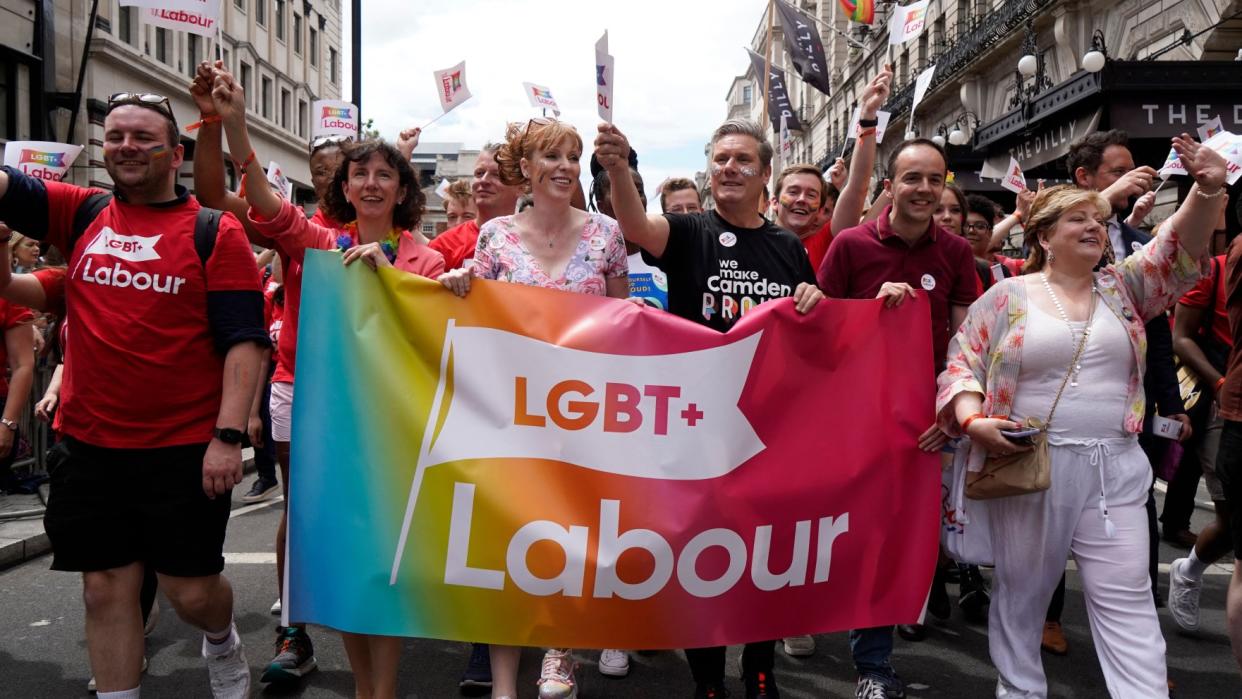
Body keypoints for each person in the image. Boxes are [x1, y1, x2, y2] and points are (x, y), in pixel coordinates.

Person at [0, 90, 268, 699]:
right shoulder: (82, 212)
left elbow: (245, 342)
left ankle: (222, 638)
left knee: (192, 592)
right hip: (90, 448)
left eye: (144, 137)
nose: (127, 146)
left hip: (183, 451)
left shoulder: (213, 231)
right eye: (116, 135)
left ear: (175, 154)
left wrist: (228, 438)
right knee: (103, 587)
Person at [937, 135, 1227, 699]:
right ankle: (1019, 689)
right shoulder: (1007, 296)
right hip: (1030, 467)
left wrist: (1208, 187)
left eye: (1098, 219)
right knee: (1023, 596)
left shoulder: (1123, 289)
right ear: (1044, 236)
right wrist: (974, 423)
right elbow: (960, 367)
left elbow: (1175, 249)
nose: (1094, 227)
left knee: (1128, 598)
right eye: (1078, 219)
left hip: (1115, 471)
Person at [210, 66, 444, 699]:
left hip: (392, 432)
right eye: (359, 173)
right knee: (341, 568)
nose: (370, 183)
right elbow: (263, 204)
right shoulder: (319, 243)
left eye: (384, 174)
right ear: (345, 186)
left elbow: (435, 328)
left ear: (401, 190)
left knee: (380, 571)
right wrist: (234, 124)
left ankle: (384, 692)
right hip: (325, 427)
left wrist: (394, 271)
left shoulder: (427, 257)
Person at [596, 116, 824, 699]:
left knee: (765, 556)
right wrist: (620, 168)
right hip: (699, 423)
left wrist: (813, 296)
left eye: (743, 159)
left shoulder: (789, 248)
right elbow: (633, 224)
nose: (730, 167)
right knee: (705, 559)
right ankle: (707, 681)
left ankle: (760, 668)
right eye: (720, 158)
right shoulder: (689, 231)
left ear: (765, 173)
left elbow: (812, 328)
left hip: (770, 425)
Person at [440, 117, 629, 699]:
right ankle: (503, 683)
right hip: (513, 415)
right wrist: (453, 285)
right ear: (524, 169)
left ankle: (558, 652)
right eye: (552, 156)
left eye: (574, 156)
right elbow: (476, 313)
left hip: (584, 416)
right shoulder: (494, 236)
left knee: (569, 540)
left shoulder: (607, 235)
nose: (566, 167)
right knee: (509, 540)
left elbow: (624, 329)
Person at [816, 138, 979, 699]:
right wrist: (870, 311)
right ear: (889, 185)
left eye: (935, 180)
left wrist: (953, 411)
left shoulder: (955, 253)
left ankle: (873, 665)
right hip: (855, 420)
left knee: (895, 538)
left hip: (927, 424)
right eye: (913, 179)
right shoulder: (850, 245)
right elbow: (822, 327)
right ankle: (799, 615)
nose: (925, 190)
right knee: (846, 534)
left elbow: (967, 343)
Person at [188, 59, 325, 683]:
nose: (349, 182)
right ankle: (293, 633)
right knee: (297, 509)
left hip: (377, 396)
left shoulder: (419, 250)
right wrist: (218, 122)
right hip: (299, 386)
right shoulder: (304, 235)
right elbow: (215, 198)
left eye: (374, 173)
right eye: (327, 173)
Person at [1167, 239, 1233, 633]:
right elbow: (1181, 337)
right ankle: (1189, 570)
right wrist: (1221, 382)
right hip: (1221, 409)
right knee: (1231, 517)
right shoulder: (1216, 270)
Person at [430, 144, 525, 271]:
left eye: (497, 175)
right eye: (479, 173)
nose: (484, 180)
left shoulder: (540, 244)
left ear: (521, 187)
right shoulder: (443, 246)